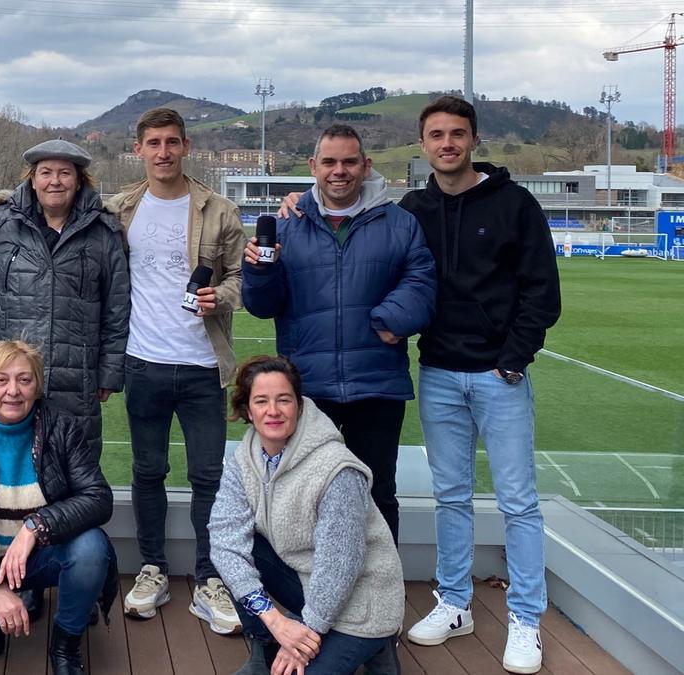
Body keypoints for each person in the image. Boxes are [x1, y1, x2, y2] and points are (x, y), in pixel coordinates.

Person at [401, 96, 560, 675]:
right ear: (423, 144)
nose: (447, 143)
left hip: (500, 376)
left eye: (458, 133)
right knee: (451, 497)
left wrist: (514, 359)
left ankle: (524, 619)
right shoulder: (412, 208)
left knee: (518, 503)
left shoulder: (515, 204)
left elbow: (543, 291)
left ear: (474, 140)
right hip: (439, 372)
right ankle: (454, 603)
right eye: (437, 134)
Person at [242, 123, 436, 545]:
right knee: (307, 492)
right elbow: (261, 306)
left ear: (366, 167)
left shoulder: (400, 223)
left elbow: (422, 281)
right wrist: (258, 271)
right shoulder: (287, 225)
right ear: (313, 166)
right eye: (329, 162)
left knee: (377, 491)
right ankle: (311, 592)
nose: (339, 171)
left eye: (350, 161)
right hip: (309, 386)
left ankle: (380, 592)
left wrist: (390, 319)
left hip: (377, 384)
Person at [105, 107, 245, 633]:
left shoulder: (220, 210)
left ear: (186, 146)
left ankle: (210, 578)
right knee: (148, 472)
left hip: (203, 366)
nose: (163, 152)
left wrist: (221, 295)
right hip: (143, 363)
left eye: (171, 142)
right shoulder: (120, 210)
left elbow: (241, 279)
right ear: (138, 150)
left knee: (209, 476)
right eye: (153, 143)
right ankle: (153, 568)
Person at [0, 340, 118, 674]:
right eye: (2, 380)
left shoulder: (61, 427)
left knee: (91, 548)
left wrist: (35, 527)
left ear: (37, 386)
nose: (13, 390)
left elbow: (98, 497)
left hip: (41, 555)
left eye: (24, 380)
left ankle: (66, 642)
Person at [210, 356, 404, 675]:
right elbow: (223, 542)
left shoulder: (336, 469)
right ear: (247, 410)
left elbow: (340, 566)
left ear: (299, 405)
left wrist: (304, 638)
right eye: (262, 401)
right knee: (240, 548)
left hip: (362, 598)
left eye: (284, 400)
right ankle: (265, 644)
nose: (273, 411)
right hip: (307, 583)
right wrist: (276, 624)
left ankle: (376, 641)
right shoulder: (244, 459)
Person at [0, 139, 130, 456]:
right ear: (32, 179)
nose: (54, 181)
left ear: (79, 180)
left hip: (77, 379)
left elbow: (117, 306)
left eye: (64, 173)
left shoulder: (104, 231)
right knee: (8, 472)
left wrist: (109, 371)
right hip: (12, 381)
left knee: (73, 471)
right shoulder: (1, 224)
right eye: (45, 172)